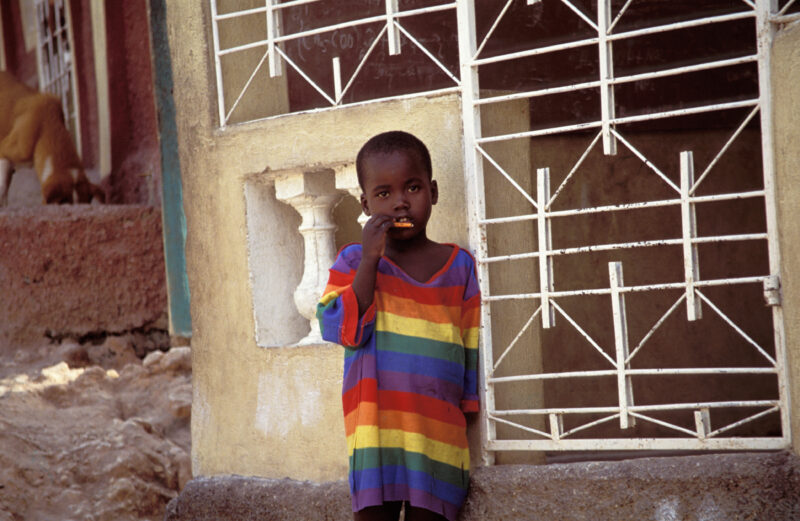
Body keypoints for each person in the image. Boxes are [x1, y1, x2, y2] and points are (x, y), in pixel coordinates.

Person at [316, 130, 480, 521]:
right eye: (384, 194)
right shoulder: (353, 263)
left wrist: (467, 406)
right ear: (365, 203)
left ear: (433, 191)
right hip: (375, 433)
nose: (401, 203)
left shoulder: (459, 265)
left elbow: (469, 339)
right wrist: (371, 260)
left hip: (437, 431)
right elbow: (342, 329)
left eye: (412, 187)